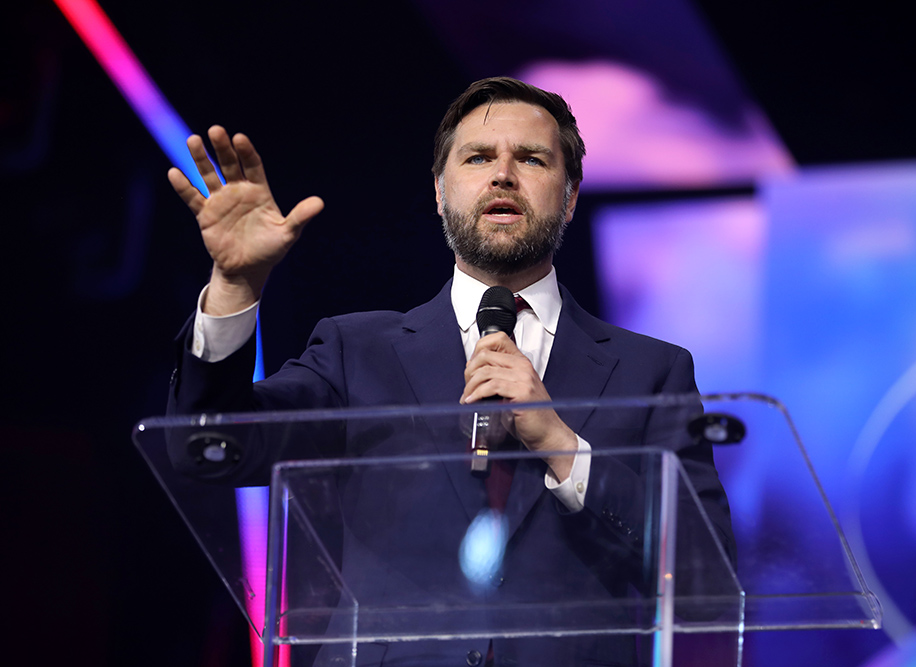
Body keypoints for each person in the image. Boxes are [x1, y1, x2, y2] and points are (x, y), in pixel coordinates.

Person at [167, 77, 734, 666]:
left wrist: (564, 447)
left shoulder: (652, 370)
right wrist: (234, 287)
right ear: (440, 192)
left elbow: (708, 579)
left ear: (568, 197)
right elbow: (211, 448)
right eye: (479, 157)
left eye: (533, 158)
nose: (503, 175)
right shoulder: (354, 350)